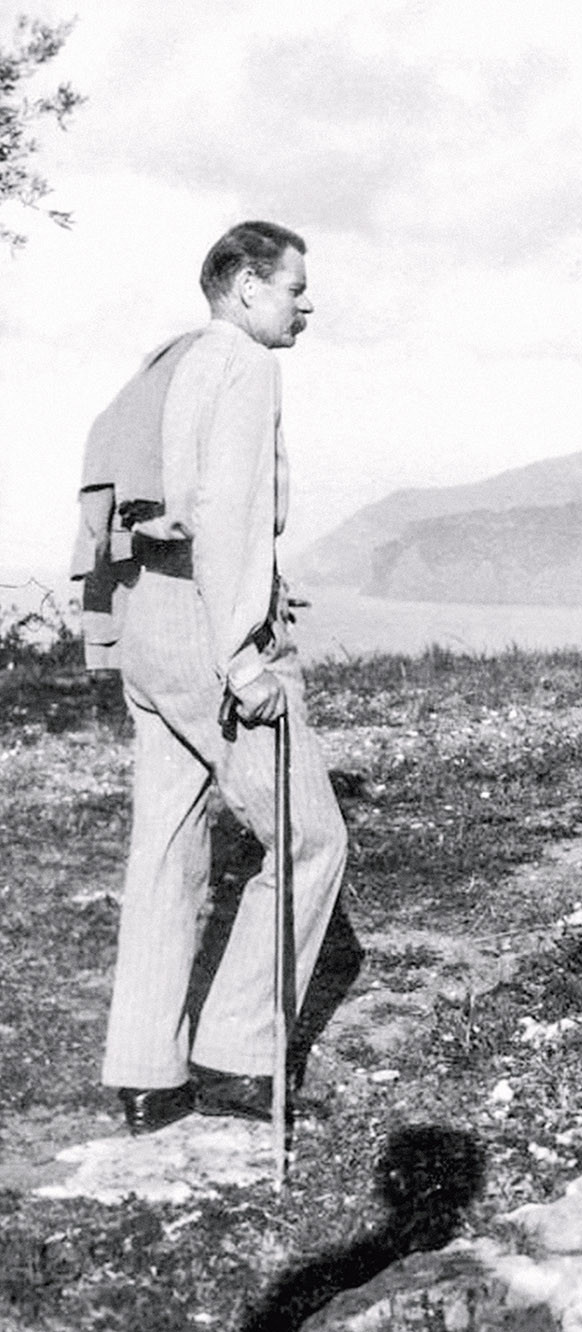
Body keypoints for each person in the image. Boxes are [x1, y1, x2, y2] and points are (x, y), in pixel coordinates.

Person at [92, 221, 348, 1134]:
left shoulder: (164, 362)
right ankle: (238, 1054)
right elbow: (228, 513)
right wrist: (244, 657)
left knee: (167, 846)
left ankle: (145, 1074)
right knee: (312, 840)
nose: (305, 307)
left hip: (146, 623)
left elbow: (127, 499)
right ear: (246, 286)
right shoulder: (243, 364)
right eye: (294, 289)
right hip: (208, 628)